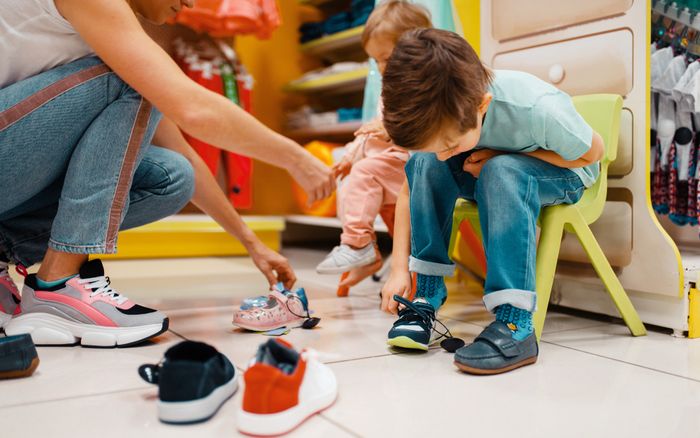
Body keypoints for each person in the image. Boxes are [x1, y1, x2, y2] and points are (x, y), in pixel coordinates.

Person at [0, 0, 336, 347]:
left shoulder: (108, 26)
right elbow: (193, 109)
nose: (192, 3)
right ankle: (58, 286)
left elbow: (182, 151)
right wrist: (297, 159)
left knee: (172, 176)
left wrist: (252, 243)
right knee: (135, 77)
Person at [379, 29, 604, 374]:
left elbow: (592, 154)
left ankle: (515, 323)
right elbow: (414, 183)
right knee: (423, 163)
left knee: (502, 171)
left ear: (482, 106)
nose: (443, 156)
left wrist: (498, 154)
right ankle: (426, 294)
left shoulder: (537, 107)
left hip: (566, 172)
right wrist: (398, 269)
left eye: (449, 145)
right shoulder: (438, 117)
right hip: (485, 168)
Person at [315, 0, 430, 278]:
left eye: (387, 59)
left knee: (366, 173)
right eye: (375, 60)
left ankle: (358, 244)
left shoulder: (422, 87)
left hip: (413, 166)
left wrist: (391, 129)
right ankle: (372, 256)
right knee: (353, 179)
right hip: (392, 170)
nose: (381, 68)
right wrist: (351, 156)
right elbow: (369, 132)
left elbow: (425, 129)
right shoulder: (388, 90)